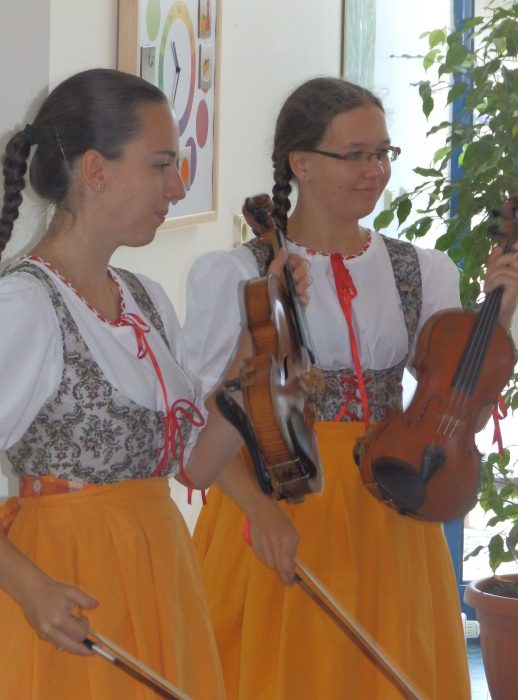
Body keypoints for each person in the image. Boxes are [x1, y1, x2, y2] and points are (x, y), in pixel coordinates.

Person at [184, 76, 518, 699]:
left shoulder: (421, 269)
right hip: (283, 503)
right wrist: (257, 509)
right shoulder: (237, 275)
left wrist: (498, 310)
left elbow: (456, 400)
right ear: (301, 163)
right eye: (356, 155)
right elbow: (203, 425)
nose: (376, 171)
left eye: (383, 153)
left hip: (394, 502)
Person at [0, 68, 309, 700]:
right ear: (96, 170)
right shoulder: (25, 306)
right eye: (162, 164)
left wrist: (260, 340)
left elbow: (195, 464)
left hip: (161, 571)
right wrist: (29, 587)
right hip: (71, 587)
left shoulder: (145, 300)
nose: (178, 185)